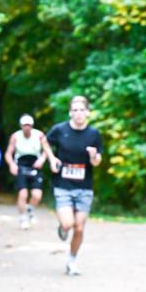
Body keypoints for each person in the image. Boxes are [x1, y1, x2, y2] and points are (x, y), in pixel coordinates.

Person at [41, 95, 103, 275]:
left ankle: (72, 260)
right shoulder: (60, 130)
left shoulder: (94, 134)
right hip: (63, 185)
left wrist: (93, 156)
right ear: (70, 112)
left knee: (79, 227)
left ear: (88, 112)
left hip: (84, 187)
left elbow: (98, 161)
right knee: (68, 224)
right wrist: (52, 158)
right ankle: (62, 228)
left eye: (81, 110)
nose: (78, 113)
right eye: (74, 110)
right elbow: (44, 140)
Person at [5, 114, 48, 230]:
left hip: (35, 166)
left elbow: (46, 150)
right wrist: (12, 165)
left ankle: (30, 209)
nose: (27, 128)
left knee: (37, 195)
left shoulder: (39, 135)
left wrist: (42, 160)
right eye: (24, 125)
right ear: (21, 126)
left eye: (29, 125)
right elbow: (8, 153)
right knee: (23, 193)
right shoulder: (15, 136)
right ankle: (23, 217)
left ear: (32, 125)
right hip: (21, 166)